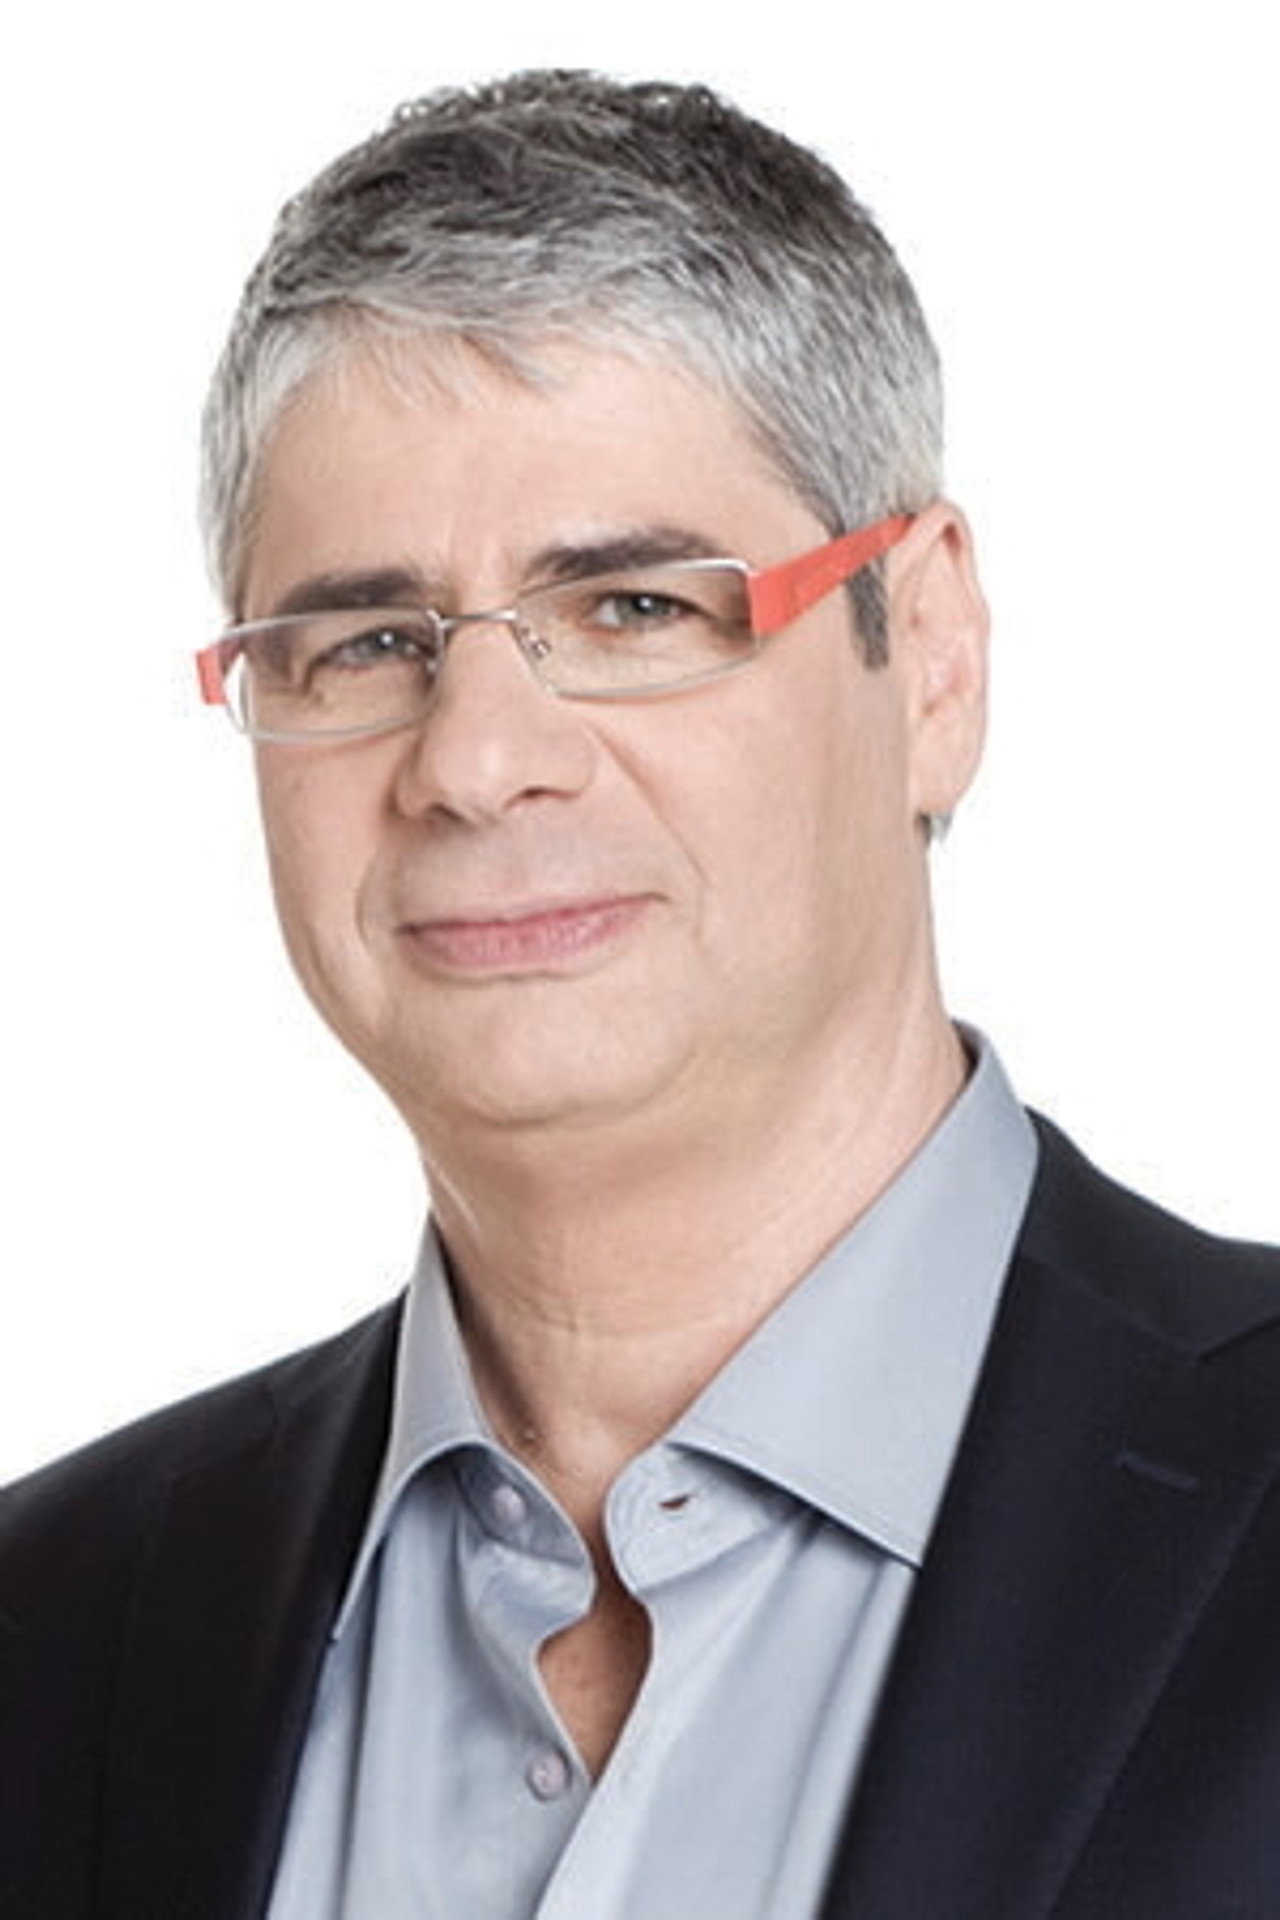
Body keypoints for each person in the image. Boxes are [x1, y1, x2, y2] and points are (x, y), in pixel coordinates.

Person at [3, 69, 1279, 1920]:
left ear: (928, 656)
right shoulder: (53, 1630)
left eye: (633, 610)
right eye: (367, 641)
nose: (476, 762)